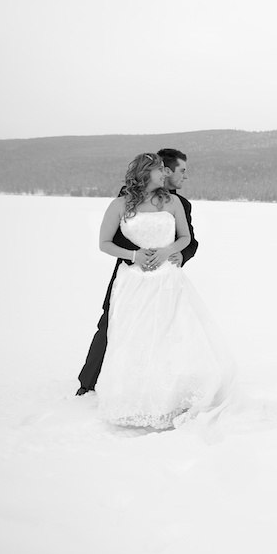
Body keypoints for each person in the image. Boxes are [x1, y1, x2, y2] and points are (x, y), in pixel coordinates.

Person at [93, 153, 236, 428]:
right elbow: (104, 243)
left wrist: (167, 252)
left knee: (170, 335)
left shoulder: (172, 202)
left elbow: (185, 237)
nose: (165, 175)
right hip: (133, 281)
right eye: (160, 170)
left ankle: (170, 398)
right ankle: (134, 398)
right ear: (145, 173)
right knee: (134, 337)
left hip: (167, 279)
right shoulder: (120, 204)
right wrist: (134, 256)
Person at [76, 148, 198, 395]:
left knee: (166, 330)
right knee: (111, 326)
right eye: (181, 171)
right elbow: (118, 235)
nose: (185, 177)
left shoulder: (179, 203)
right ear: (164, 169)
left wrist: (175, 254)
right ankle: (89, 383)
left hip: (165, 277)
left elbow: (190, 240)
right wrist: (140, 255)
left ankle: (160, 385)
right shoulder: (127, 198)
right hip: (131, 275)